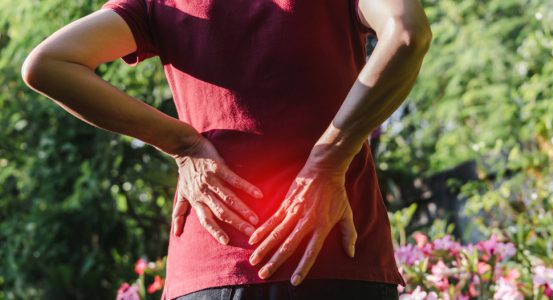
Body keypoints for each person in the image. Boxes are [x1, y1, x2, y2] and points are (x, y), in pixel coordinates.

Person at [22, 0, 431, 299]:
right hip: (337, 261)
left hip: (209, 269)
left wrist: (183, 144)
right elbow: (407, 33)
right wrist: (329, 160)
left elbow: (49, 63)